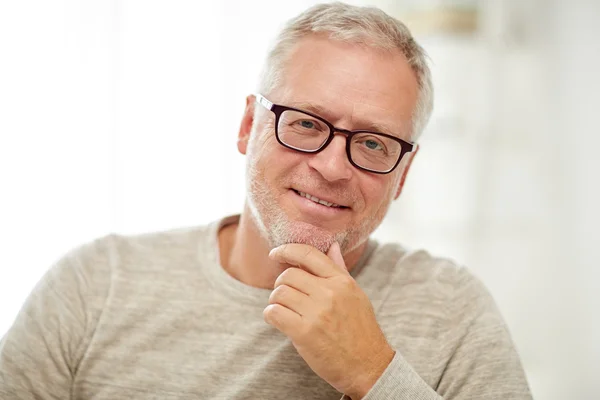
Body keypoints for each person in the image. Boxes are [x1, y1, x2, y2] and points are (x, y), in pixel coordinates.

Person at [0, 2, 532, 399]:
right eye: (304, 124)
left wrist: (373, 372)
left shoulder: (451, 310)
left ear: (403, 173)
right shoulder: (93, 285)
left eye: (372, 143)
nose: (330, 166)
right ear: (249, 126)